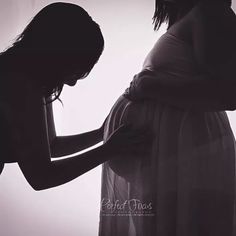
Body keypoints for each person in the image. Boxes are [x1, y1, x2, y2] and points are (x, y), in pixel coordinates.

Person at [99, 0, 236, 235]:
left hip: (188, 159)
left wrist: (154, 87)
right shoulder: (191, 17)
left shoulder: (209, 11)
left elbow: (229, 91)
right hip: (174, 162)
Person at [0, 2, 148, 191]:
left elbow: (51, 145)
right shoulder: (19, 83)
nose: (72, 83)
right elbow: (40, 176)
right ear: (58, 57)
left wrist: (102, 133)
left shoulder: (27, 74)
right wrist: (110, 150)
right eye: (73, 71)